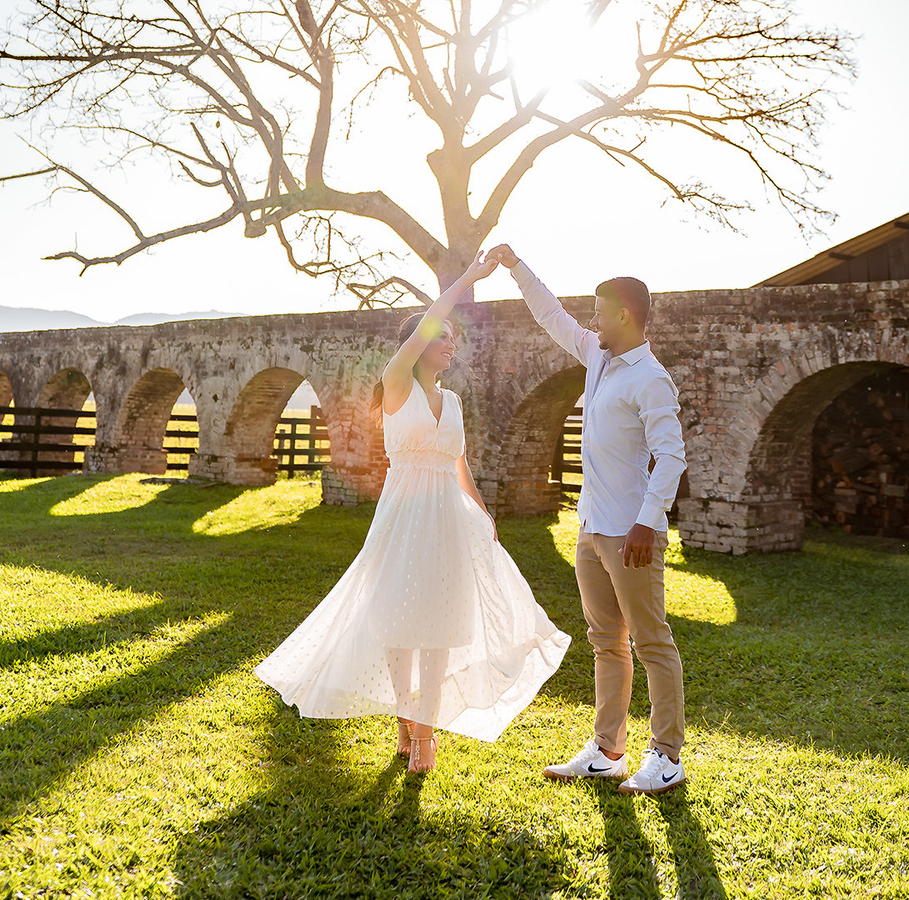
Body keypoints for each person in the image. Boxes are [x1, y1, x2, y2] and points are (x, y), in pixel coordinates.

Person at [254, 253, 571, 775]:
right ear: (421, 345)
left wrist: (483, 511)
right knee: (399, 619)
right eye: (443, 337)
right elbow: (430, 323)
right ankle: (406, 717)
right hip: (403, 512)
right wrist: (467, 280)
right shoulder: (397, 384)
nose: (452, 344)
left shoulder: (455, 401)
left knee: (442, 622)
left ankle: (424, 731)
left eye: (453, 338)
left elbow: (460, 462)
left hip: (449, 514)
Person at [484, 243, 688, 797]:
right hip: (592, 527)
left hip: (632, 534)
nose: (590, 320)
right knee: (605, 641)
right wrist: (516, 266)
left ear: (624, 314)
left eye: (599, 311)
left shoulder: (651, 378)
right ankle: (606, 750)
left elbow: (671, 455)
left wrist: (648, 522)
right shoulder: (598, 355)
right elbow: (552, 315)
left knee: (651, 642)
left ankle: (666, 757)